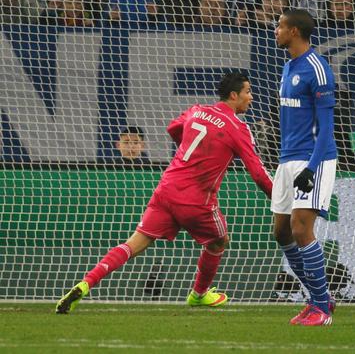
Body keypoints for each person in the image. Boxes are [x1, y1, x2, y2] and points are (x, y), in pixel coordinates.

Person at [55, 72, 273, 314]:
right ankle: (199, 294)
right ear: (234, 95)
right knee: (219, 241)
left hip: (167, 189)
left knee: (134, 243)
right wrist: (280, 200)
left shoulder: (196, 110)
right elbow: (258, 173)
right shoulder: (238, 128)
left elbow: (173, 128)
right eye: (248, 92)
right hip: (196, 201)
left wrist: (193, 146)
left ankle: (86, 283)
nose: (251, 98)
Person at [272, 9, 337, 326]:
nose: (276, 30)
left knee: (301, 229)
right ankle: (318, 296)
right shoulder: (288, 67)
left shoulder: (317, 68)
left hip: (315, 158)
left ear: (295, 31)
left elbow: (327, 127)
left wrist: (311, 168)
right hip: (287, 159)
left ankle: (321, 307)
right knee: (281, 231)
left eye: (281, 26)